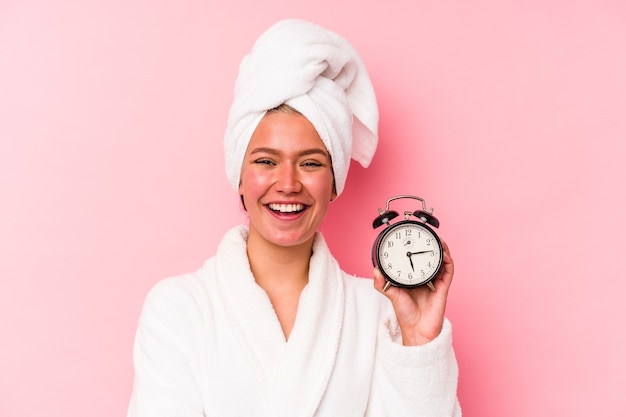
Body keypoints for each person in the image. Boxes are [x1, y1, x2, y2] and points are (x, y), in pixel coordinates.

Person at [127, 19, 461, 417]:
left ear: (335, 182)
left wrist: (419, 341)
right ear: (239, 177)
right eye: (266, 161)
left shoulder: (380, 314)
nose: (287, 184)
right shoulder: (179, 309)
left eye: (311, 163)